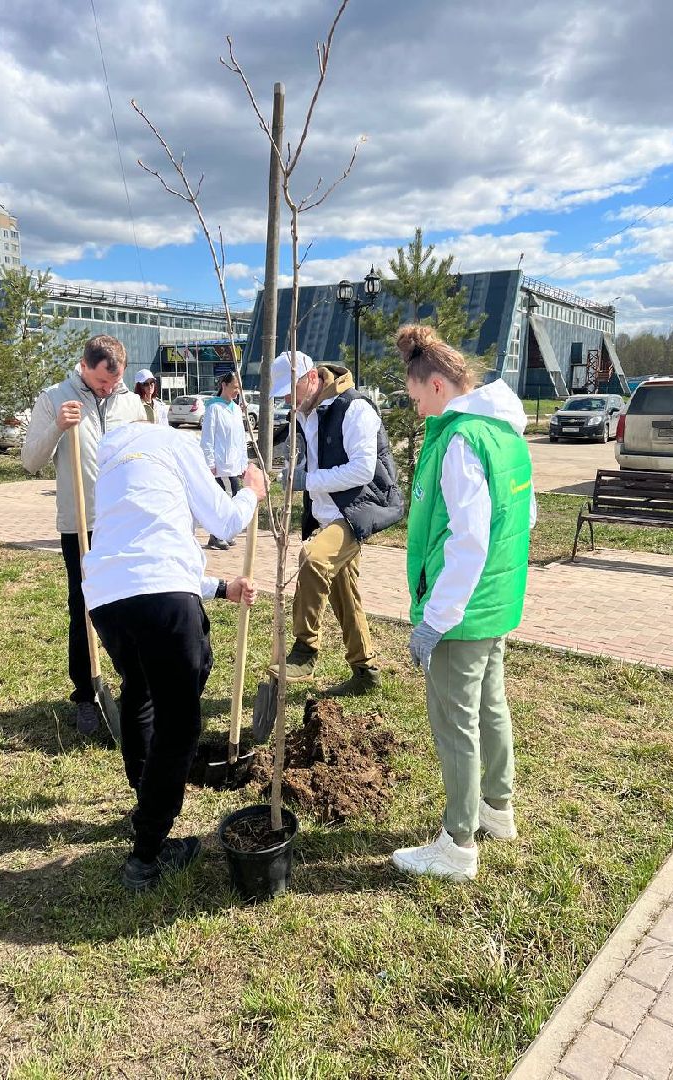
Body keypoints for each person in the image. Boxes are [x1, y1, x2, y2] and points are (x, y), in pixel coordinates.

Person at [81, 421, 267, 891]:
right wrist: (251, 492)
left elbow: (145, 554)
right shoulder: (174, 442)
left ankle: (146, 796)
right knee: (179, 723)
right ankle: (147, 855)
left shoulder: (114, 462)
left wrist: (219, 588)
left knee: (141, 691)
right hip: (160, 600)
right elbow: (224, 520)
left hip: (106, 600)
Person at [389, 325, 536, 883]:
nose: (416, 408)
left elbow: (467, 541)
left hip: (463, 612)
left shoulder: (459, 441)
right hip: (497, 602)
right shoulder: (506, 434)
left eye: (415, 397)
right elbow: (523, 519)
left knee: (456, 724)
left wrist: (436, 619)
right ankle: (497, 810)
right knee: (490, 707)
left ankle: (457, 845)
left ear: (436, 386)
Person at [21, 335, 146, 736]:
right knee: (84, 608)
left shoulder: (131, 403)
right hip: (81, 524)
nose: (108, 389)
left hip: (126, 521)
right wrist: (58, 426)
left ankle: (135, 684)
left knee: (132, 604)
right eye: (102, 381)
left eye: (115, 381)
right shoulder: (55, 398)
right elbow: (30, 461)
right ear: (84, 366)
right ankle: (86, 695)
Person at [268, 350, 403, 696]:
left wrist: (307, 480)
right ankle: (365, 671)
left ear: (312, 378)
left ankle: (305, 650)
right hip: (327, 513)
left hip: (359, 508)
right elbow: (311, 459)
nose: (287, 400)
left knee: (313, 559)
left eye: (291, 391)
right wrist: (296, 470)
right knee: (345, 594)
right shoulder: (305, 412)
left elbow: (361, 470)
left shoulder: (354, 408)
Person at [200, 370, 249, 551]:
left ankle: (225, 532)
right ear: (224, 385)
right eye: (235, 387)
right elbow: (207, 438)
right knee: (223, 498)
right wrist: (210, 463)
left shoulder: (236, 409)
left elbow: (241, 439)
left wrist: (243, 463)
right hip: (220, 465)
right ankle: (216, 535)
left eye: (239, 388)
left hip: (234, 465)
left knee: (234, 496)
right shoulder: (214, 408)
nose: (237, 391)